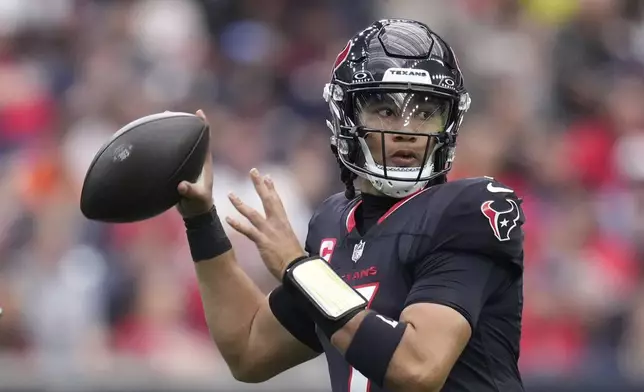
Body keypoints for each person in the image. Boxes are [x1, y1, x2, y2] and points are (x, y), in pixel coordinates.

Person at [176, 19, 525, 392]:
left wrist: (298, 268)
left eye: (425, 113)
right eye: (386, 111)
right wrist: (200, 219)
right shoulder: (331, 223)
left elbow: (418, 367)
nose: (406, 130)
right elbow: (248, 350)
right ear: (347, 116)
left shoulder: (470, 209)